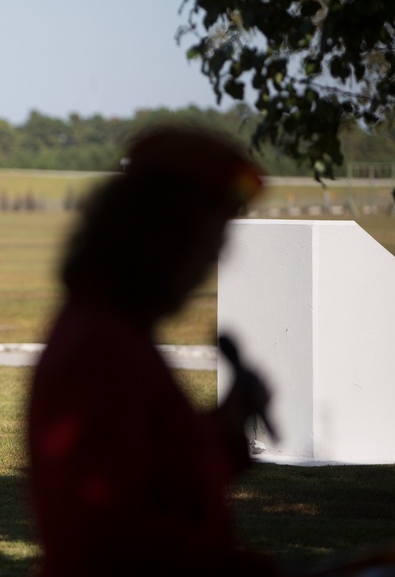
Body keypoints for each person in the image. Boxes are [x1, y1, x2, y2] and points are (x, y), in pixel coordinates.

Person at [26, 126, 280, 576]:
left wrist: (226, 424)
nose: (206, 269)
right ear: (158, 239)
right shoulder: (102, 350)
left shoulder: (116, 332)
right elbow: (112, 541)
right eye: (204, 246)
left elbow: (163, 479)